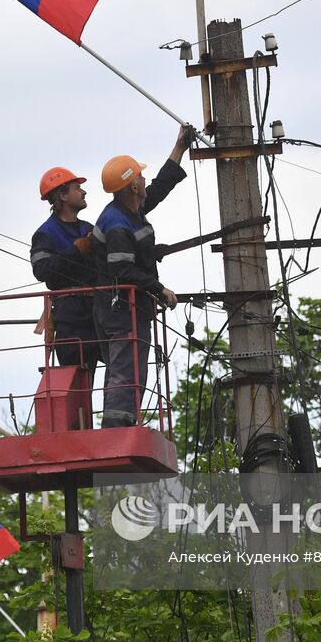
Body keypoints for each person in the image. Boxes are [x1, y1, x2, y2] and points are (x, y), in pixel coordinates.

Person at [92, 124, 196, 427]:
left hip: (119, 307)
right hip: (121, 310)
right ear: (133, 187)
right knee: (127, 371)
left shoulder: (130, 209)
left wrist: (179, 148)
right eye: (139, 176)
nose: (144, 178)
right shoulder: (118, 224)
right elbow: (122, 269)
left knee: (125, 369)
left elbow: (161, 187)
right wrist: (159, 288)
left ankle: (119, 426)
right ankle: (117, 431)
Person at [30, 166, 99, 371]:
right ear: (63, 196)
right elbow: (41, 270)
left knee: (117, 364)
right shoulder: (46, 233)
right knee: (76, 376)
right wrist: (75, 251)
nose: (84, 191)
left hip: (97, 311)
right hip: (70, 317)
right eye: (77, 188)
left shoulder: (88, 229)